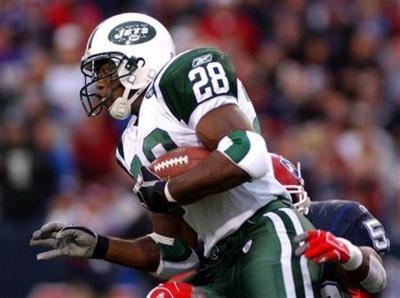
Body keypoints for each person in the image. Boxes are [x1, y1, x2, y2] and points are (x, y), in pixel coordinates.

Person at [30, 13, 321, 297]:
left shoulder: (182, 74)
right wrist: (100, 247)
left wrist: (169, 191)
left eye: (106, 69)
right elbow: (178, 254)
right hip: (218, 260)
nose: (101, 83)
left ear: (139, 60)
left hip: (263, 231)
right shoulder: (129, 144)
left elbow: (247, 153)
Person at [269, 153, 389, 297]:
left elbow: (378, 281)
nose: (279, 212)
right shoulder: (238, 240)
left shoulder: (338, 219)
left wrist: (351, 255)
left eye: (285, 201)